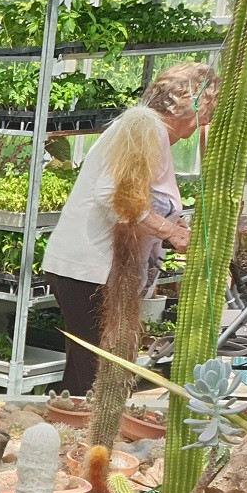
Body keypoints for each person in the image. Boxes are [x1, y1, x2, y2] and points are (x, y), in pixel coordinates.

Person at [43, 63, 217, 395]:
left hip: (96, 270)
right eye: (206, 110)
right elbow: (112, 195)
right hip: (89, 270)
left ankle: (65, 436)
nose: (205, 122)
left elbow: (136, 198)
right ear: (189, 104)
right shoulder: (144, 128)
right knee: (98, 376)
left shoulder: (150, 131)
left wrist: (166, 223)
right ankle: (87, 442)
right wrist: (170, 231)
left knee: (84, 374)